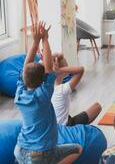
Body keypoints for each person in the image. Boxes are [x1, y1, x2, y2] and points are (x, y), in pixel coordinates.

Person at [14, 22, 82, 163]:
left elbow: (27, 66)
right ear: (43, 80)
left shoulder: (19, 94)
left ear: (24, 77)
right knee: (78, 149)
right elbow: (49, 68)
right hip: (39, 154)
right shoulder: (43, 96)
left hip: (20, 150)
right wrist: (45, 39)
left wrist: (36, 41)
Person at [51, 53, 101, 126]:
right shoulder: (61, 90)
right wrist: (60, 70)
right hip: (65, 127)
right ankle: (78, 130)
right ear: (64, 72)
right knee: (97, 106)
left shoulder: (47, 88)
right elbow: (81, 70)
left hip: (54, 127)